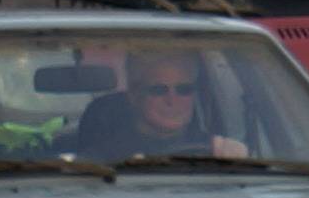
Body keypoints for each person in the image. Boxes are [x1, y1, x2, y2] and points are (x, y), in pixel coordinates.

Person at [68, 51, 246, 163]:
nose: (172, 99)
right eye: (159, 90)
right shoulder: (101, 160)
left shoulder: (220, 152)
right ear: (134, 96)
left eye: (184, 89)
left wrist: (238, 162)